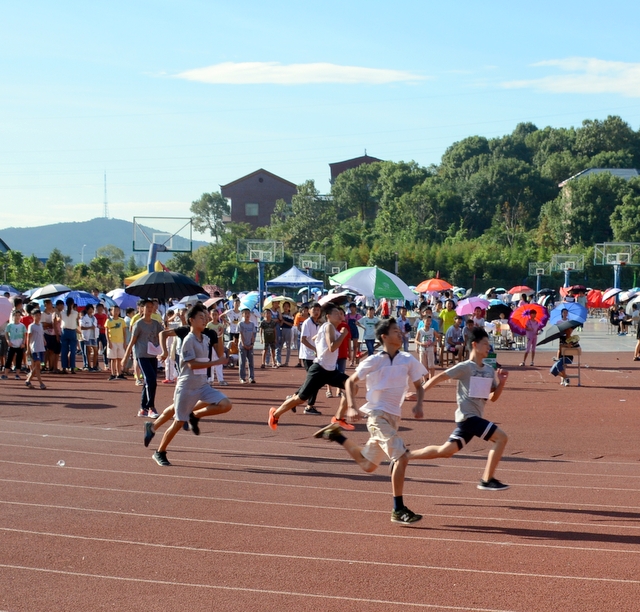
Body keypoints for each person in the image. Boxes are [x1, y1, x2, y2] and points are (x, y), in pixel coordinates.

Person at [314, 317, 427, 525]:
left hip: (394, 418)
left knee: (368, 465)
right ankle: (398, 509)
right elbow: (350, 381)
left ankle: (336, 436)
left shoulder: (407, 359)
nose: (400, 333)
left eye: (399, 330)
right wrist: (351, 406)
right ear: (384, 337)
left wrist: (419, 403)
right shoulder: (374, 360)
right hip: (377, 416)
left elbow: (420, 385)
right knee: (401, 457)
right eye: (395, 331)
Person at [410, 327, 510, 490]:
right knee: (501, 438)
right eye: (485, 343)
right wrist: (419, 393)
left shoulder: (489, 370)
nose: (489, 347)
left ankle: (405, 455)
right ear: (475, 345)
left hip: (473, 420)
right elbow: (439, 377)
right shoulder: (465, 367)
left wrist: (501, 383)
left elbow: (493, 397)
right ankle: (487, 479)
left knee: (446, 451)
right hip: (468, 418)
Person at [146, 304, 231, 467]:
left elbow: (220, 354)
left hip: (203, 385)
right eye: (201, 317)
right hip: (187, 387)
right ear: (191, 320)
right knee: (178, 422)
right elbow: (192, 365)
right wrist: (215, 362)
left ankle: (194, 415)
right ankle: (160, 451)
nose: (205, 320)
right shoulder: (188, 340)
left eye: (206, 317)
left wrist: (220, 337)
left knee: (226, 404)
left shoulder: (206, 338)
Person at [269, 304, 350, 429]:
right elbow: (332, 347)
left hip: (331, 371)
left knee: (352, 386)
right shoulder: (328, 326)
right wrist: (343, 335)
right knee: (300, 399)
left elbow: (315, 337)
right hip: (319, 370)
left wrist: (318, 338)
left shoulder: (330, 328)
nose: (340, 315)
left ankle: (339, 418)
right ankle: (275, 414)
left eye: (341, 313)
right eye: (336, 313)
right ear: (328, 316)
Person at [122, 297, 164, 418]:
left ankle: (142, 408)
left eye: (151, 307)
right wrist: (125, 357)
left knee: (148, 381)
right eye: (147, 307)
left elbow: (164, 334)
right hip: (141, 355)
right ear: (141, 308)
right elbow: (132, 341)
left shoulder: (156, 324)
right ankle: (151, 407)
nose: (150, 309)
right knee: (151, 380)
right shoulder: (138, 324)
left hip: (152, 355)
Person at [297, 302, 323, 413]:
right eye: (314, 310)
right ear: (309, 311)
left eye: (318, 310)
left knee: (312, 381)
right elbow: (303, 340)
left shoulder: (319, 323)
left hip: (316, 356)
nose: (316, 312)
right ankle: (309, 406)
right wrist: (314, 349)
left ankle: (294, 398)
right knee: (314, 381)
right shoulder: (307, 323)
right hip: (307, 355)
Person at [25, 308, 46, 389]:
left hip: (41, 347)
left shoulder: (40, 325)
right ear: (33, 316)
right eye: (36, 315)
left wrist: (44, 340)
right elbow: (28, 338)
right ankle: (41, 383)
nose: (38, 317)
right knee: (37, 364)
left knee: (39, 366)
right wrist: (28, 349)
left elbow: (42, 334)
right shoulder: (31, 326)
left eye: (39, 315)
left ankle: (28, 380)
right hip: (35, 348)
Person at [106, 305, 126, 380]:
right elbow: (106, 332)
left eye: (117, 310)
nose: (116, 312)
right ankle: (113, 374)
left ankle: (119, 373)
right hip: (112, 341)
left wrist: (124, 342)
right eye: (114, 311)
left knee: (119, 358)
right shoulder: (109, 321)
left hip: (120, 341)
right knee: (113, 358)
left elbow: (124, 332)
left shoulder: (121, 320)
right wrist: (109, 342)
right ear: (111, 311)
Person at [5, 310, 27, 379]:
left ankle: (17, 374)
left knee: (19, 360)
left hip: (20, 345)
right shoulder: (10, 325)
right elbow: (6, 333)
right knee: (9, 359)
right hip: (12, 345)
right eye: (16, 315)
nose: (17, 317)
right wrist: (8, 341)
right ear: (13, 316)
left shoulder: (22, 326)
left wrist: (23, 343)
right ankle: (5, 374)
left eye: (18, 315)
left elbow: (24, 335)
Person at [59, 297, 79, 374]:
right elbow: (77, 321)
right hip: (72, 331)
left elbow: (60, 319)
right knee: (73, 350)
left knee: (64, 350)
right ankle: (72, 367)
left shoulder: (62, 312)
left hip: (64, 331)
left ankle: (64, 367)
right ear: (73, 304)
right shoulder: (75, 313)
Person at [415, 313, 436, 381]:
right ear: (423, 321)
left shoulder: (432, 330)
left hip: (430, 349)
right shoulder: (420, 331)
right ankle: (425, 380)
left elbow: (438, 337)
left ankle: (431, 380)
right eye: (427, 321)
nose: (429, 322)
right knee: (423, 366)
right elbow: (416, 340)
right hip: (422, 349)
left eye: (430, 321)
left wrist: (434, 343)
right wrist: (420, 344)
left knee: (431, 366)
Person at [238, 307, 256, 384]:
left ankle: (251, 377)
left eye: (248, 313)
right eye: (245, 314)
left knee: (251, 362)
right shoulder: (241, 324)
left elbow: (252, 335)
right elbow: (241, 334)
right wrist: (243, 344)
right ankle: (242, 378)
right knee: (242, 362)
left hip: (250, 345)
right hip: (243, 346)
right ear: (242, 315)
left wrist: (252, 344)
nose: (247, 315)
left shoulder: (252, 324)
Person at [80, 304, 99, 371]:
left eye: (92, 309)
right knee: (89, 351)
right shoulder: (84, 318)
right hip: (87, 336)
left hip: (94, 336)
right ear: (87, 310)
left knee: (96, 351)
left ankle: (94, 366)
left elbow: (96, 326)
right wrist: (90, 327)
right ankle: (89, 366)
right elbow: (81, 327)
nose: (91, 310)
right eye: (89, 309)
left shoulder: (94, 318)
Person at [345, 303, 362, 367]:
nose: (352, 309)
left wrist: (358, 323)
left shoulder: (358, 316)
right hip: (349, 332)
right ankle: (349, 358)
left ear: (355, 308)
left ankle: (352, 361)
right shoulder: (347, 315)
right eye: (351, 307)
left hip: (355, 332)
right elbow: (345, 322)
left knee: (355, 347)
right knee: (348, 346)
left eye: (353, 307)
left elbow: (361, 323)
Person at [279, 301, 294, 367]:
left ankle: (286, 362)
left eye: (287, 306)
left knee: (288, 346)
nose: (285, 307)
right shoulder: (281, 315)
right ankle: (278, 361)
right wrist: (282, 321)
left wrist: (284, 321)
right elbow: (280, 324)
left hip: (288, 330)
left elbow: (291, 324)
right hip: (282, 330)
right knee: (280, 346)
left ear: (289, 307)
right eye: (284, 306)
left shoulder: (291, 316)